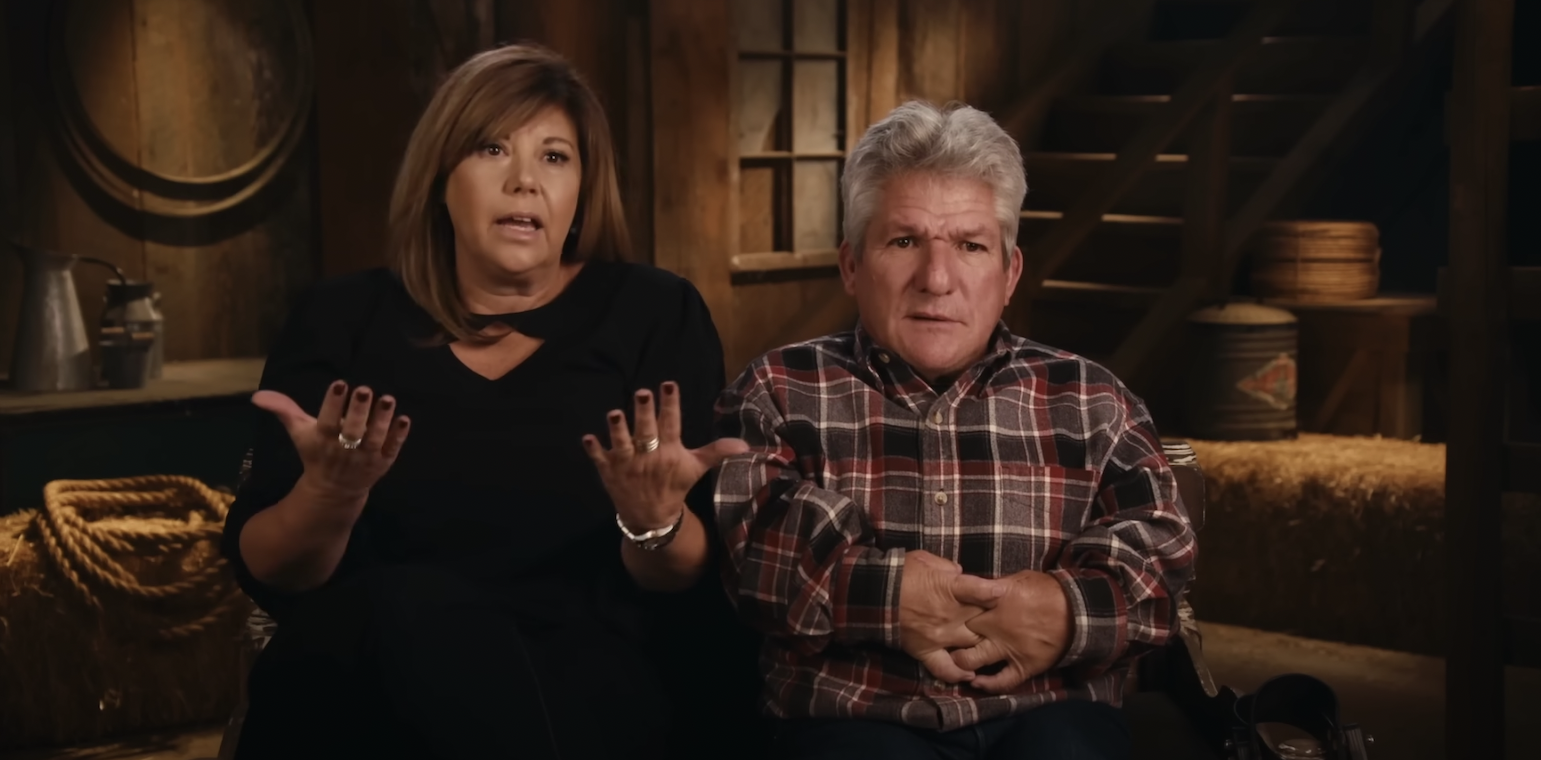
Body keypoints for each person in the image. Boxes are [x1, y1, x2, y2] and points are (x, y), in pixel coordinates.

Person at [220, 43, 759, 759]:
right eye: (491, 148)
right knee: (399, 611)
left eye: (554, 157)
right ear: (439, 179)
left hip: (590, 678)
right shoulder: (340, 320)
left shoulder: (653, 312)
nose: (524, 180)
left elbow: (687, 573)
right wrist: (329, 495)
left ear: (581, 192)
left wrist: (653, 519)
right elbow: (268, 567)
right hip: (374, 677)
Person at [712, 100, 1199, 760]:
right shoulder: (777, 391)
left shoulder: (1093, 400)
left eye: (970, 245)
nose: (936, 279)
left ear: (1009, 272)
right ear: (851, 265)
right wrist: (889, 600)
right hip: (854, 717)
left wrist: (1066, 613)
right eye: (903, 242)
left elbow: (1162, 563)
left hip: (1055, 712)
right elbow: (756, 560)